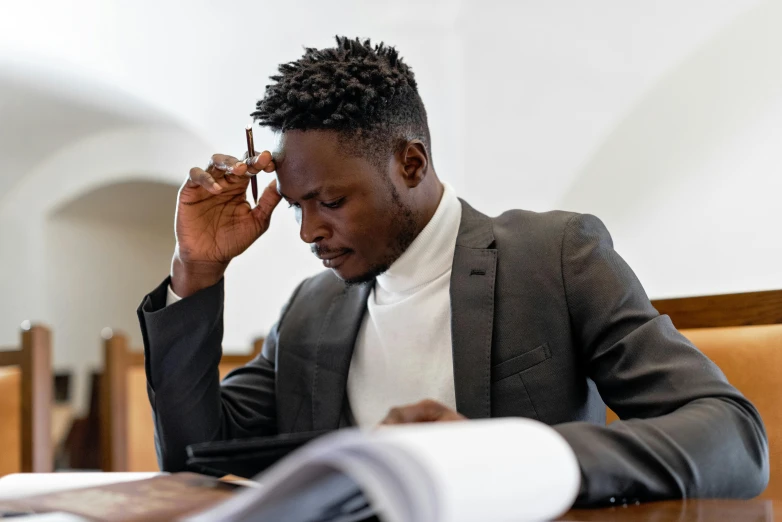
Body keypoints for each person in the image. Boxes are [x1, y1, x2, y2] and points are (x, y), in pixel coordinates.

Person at [138, 36, 768, 506]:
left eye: (330, 203)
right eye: (299, 207)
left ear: (411, 163)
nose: (308, 232)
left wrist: (512, 457)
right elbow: (194, 460)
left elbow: (733, 437)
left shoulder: (556, 258)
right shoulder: (310, 311)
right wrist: (198, 269)